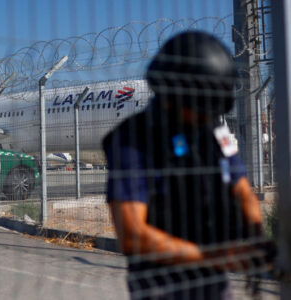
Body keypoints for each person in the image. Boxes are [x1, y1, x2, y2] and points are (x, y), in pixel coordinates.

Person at [103, 31, 273, 299]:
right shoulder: (132, 140)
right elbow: (132, 234)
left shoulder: (213, 127)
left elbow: (241, 189)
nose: (210, 115)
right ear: (173, 94)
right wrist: (214, 257)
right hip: (161, 286)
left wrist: (257, 238)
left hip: (213, 281)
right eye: (203, 105)